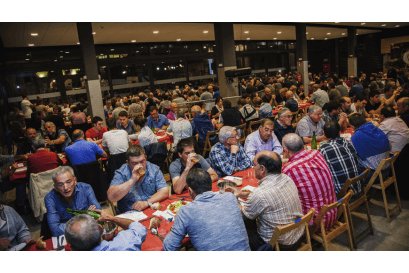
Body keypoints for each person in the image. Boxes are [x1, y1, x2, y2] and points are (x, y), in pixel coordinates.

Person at [163, 168, 250, 251]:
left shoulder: (185, 211)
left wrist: (177, 225)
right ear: (211, 185)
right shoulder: (230, 197)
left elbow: (170, 247)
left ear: (190, 191)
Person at [237, 151, 304, 251]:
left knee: (243, 227)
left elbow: (243, 215)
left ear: (262, 169)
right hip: (298, 235)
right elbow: (266, 197)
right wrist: (242, 194)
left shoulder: (260, 194)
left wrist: (233, 200)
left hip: (279, 245)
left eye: (254, 165)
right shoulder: (286, 178)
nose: (253, 168)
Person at [281, 133, 337, 231]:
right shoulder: (316, 153)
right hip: (333, 213)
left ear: (286, 151)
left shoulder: (289, 169)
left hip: (314, 223)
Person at [107, 145, 169, 214]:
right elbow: (111, 197)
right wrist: (132, 180)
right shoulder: (121, 172)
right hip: (130, 212)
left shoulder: (154, 169)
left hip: (150, 207)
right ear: (127, 162)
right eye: (134, 163)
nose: (140, 166)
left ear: (145, 158)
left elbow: (164, 192)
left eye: (142, 161)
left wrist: (147, 203)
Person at [44, 166, 101, 237]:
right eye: (60, 185)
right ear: (55, 187)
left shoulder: (86, 188)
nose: (66, 188)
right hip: (67, 236)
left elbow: (99, 215)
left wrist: (68, 224)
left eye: (68, 182)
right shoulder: (50, 198)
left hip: (87, 232)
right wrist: (85, 217)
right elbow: (55, 231)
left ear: (75, 180)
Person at [319, 121, 365, 197]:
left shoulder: (324, 150)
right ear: (340, 132)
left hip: (344, 195)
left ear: (324, 134)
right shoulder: (348, 143)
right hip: (360, 187)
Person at [64, 209, 147, 251]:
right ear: (101, 229)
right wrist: (112, 218)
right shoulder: (126, 242)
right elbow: (139, 228)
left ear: (72, 249)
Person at [349, 113, 391, 185]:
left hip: (374, 176)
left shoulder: (356, 137)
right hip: (387, 170)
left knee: (350, 161)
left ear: (352, 126)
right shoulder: (377, 129)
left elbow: (351, 154)